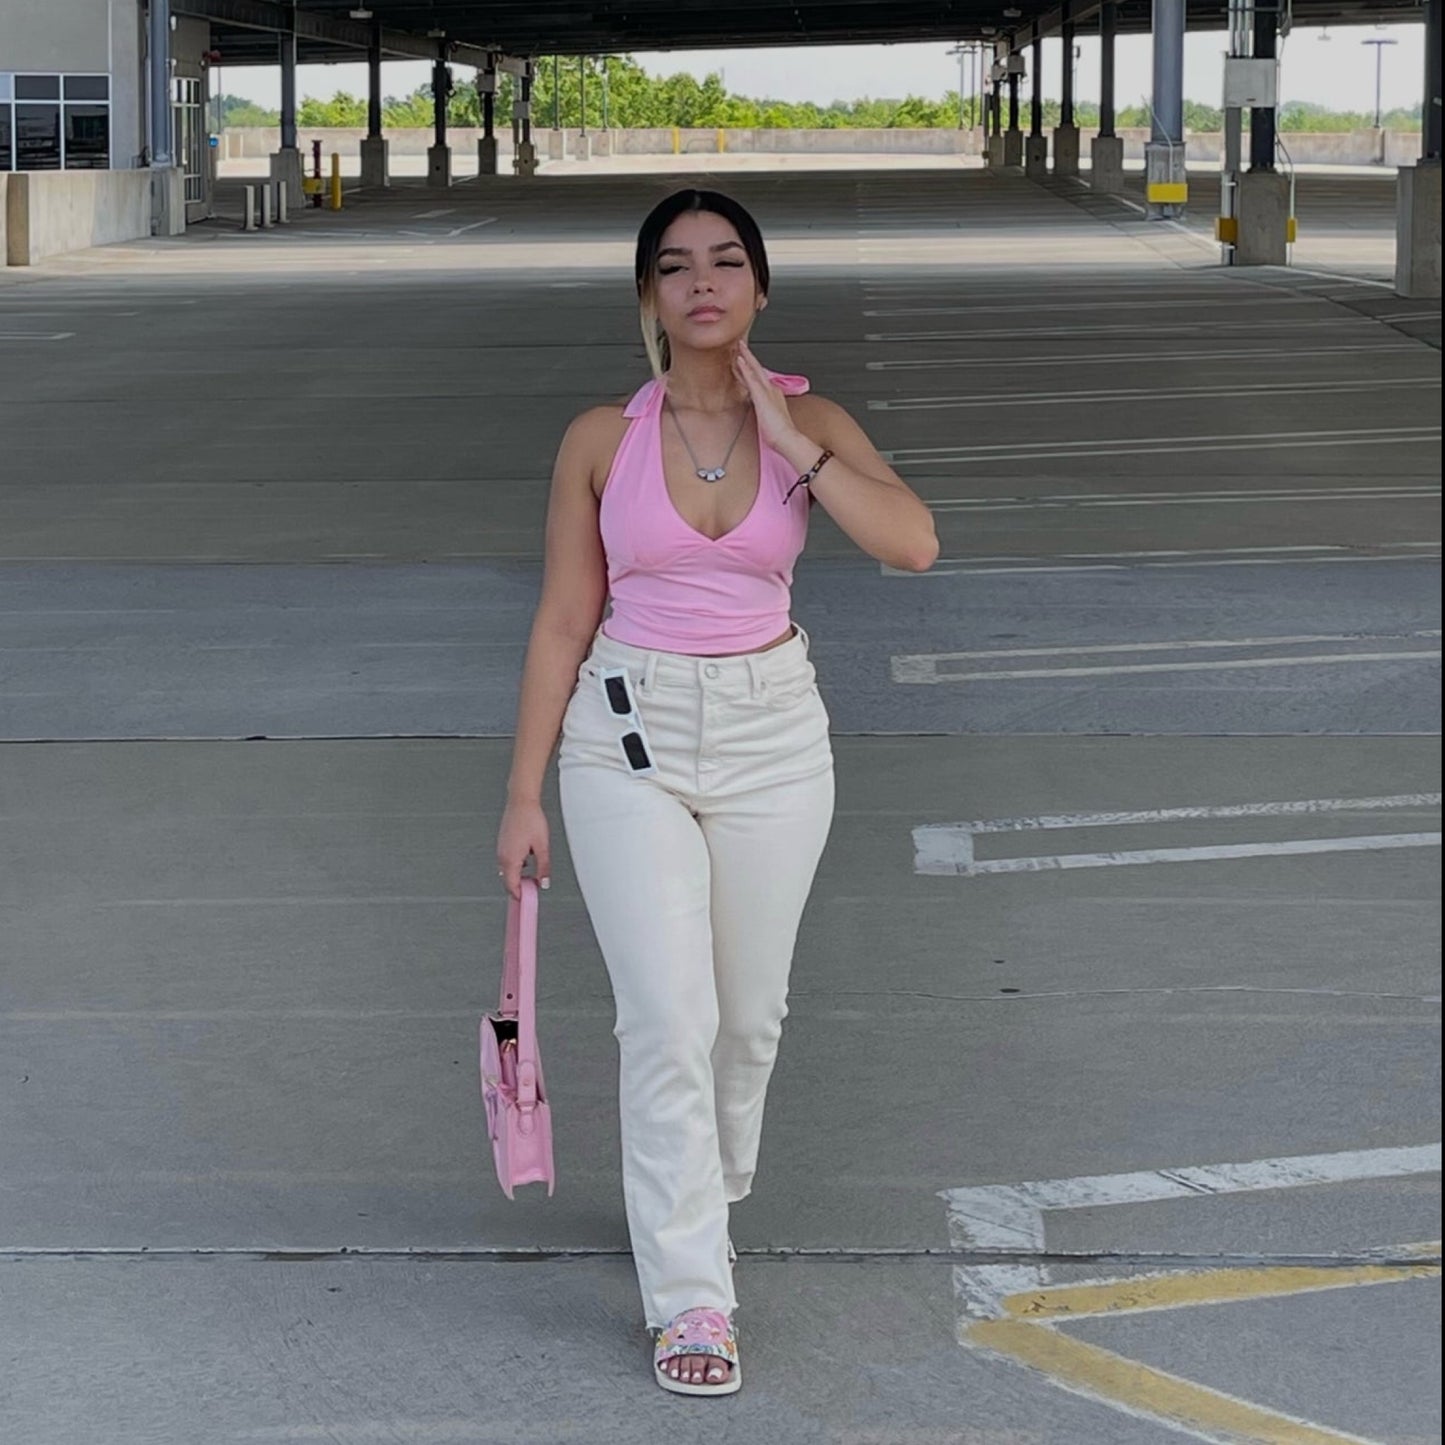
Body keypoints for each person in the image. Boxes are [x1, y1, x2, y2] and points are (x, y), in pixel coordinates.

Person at [495, 187, 938, 1396]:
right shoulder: (601, 436)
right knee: (666, 1020)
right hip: (623, 738)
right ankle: (691, 1289)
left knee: (746, 1018)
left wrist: (796, 448)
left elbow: (911, 544)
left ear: (756, 289)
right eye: (677, 265)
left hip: (771, 740)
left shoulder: (815, 421)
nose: (702, 281)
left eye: (726, 262)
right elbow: (561, 617)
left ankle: (696, 1181)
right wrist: (523, 791)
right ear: (647, 294)